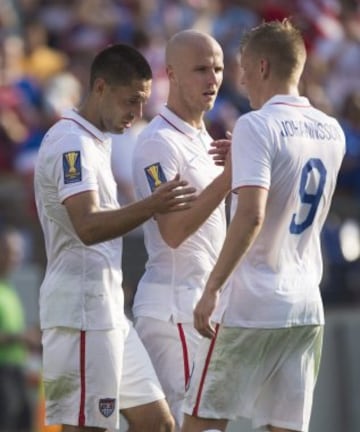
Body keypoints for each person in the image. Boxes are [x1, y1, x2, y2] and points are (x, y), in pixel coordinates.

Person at [181, 19, 346, 432]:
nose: (237, 77)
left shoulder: (256, 125)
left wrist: (213, 287)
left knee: (202, 423)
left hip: (251, 303)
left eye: (241, 66)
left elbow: (253, 215)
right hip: (306, 304)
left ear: (262, 67)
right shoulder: (333, 130)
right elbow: (289, 191)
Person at [34, 43, 196, 432]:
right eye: (131, 101)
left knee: (158, 423)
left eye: (143, 102)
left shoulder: (93, 140)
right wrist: (151, 205)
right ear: (101, 88)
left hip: (106, 313)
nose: (137, 114)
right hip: (81, 313)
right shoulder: (71, 141)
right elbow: (87, 226)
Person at [131, 29, 231, 430]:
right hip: (174, 310)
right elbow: (173, 232)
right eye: (201, 69)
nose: (213, 79)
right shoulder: (159, 143)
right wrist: (231, 177)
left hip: (199, 307)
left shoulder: (202, 138)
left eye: (219, 68)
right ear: (171, 73)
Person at [0, 225, 40, 432]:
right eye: (10, 252)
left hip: (18, 371)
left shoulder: (8, 287)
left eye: (18, 253)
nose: (15, 258)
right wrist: (20, 337)